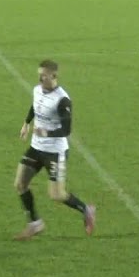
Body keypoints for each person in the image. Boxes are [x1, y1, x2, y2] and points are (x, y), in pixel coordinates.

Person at [14, 60, 96, 240]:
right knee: (20, 184)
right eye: (39, 74)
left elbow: (66, 130)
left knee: (57, 195)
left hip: (55, 152)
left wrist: (46, 132)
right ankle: (35, 224)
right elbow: (35, 106)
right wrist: (26, 124)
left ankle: (86, 209)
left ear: (54, 76)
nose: (40, 77)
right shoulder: (37, 89)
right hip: (36, 147)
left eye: (44, 75)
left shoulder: (62, 100)